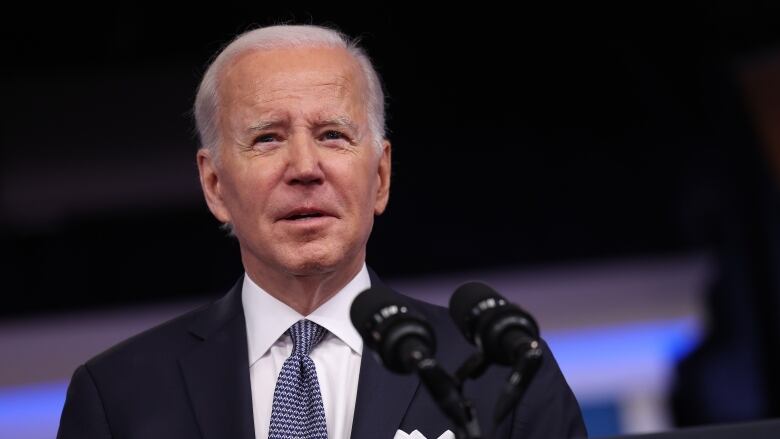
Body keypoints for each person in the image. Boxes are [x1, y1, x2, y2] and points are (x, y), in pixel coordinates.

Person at [57, 24, 587, 439]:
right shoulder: (118, 395)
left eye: (332, 134)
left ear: (379, 177)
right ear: (215, 184)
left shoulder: (505, 372)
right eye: (267, 138)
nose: (305, 167)